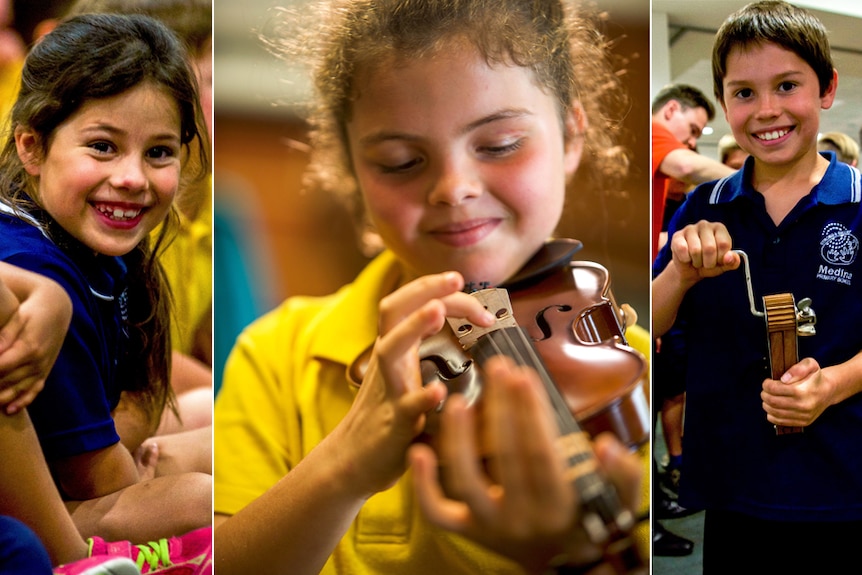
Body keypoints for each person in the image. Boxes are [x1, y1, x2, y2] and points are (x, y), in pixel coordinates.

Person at [214, 1, 650, 574]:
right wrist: (344, 464)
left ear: (571, 135)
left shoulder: (629, 367)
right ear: (352, 169)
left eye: (498, 145)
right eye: (399, 161)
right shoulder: (279, 354)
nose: (453, 188)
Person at [652, 1, 862, 572]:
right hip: (732, 481)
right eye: (744, 93)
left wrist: (836, 384)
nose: (766, 110)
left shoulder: (859, 203)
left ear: (826, 88)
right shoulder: (703, 207)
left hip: (842, 482)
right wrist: (680, 272)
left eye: (787, 85)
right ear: (723, 102)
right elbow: (650, 322)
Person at [0, 12, 212, 550]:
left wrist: (137, 444)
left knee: (223, 426)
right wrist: (139, 461)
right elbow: (100, 478)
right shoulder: (36, 269)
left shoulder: (88, 240)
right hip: (47, 508)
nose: (132, 179)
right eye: (102, 146)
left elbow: (143, 386)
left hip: (87, 469)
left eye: (158, 152)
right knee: (201, 498)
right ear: (31, 146)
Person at [62, 0, 213, 438]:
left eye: (157, 152)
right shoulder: (92, 219)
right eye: (202, 82)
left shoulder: (192, 202)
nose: (130, 179)